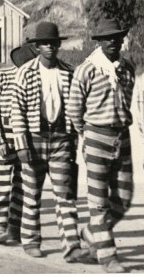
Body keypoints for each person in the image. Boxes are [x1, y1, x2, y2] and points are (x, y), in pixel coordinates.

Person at [10, 21, 88, 263]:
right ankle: (31, 240)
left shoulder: (69, 72)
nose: (50, 47)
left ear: (58, 45)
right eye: (45, 43)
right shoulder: (25, 72)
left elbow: (77, 108)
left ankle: (71, 245)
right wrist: (21, 144)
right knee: (32, 194)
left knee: (65, 195)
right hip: (34, 140)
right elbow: (16, 111)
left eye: (53, 43)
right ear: (37, 47)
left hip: (61, 140)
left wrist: (77, 139)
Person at [68, 18, 137, 274]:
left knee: (124, 197)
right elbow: (74, 110)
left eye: (117, 37)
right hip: (96, 137)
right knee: (98, 201)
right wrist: (87, 134)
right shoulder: (86, 70)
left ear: (122, 39)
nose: (112, 42)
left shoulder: (127, 69)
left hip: (122, 138)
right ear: (98, 41)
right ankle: (108, 256)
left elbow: (127, 103)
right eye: (107, 38)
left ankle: (89, 233)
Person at [0, 42, 36, 245]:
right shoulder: (2, 77)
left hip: (28, 141)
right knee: (1, 184)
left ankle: (14, 227)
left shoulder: (37, 80)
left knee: (23, 185)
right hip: (5, 139)